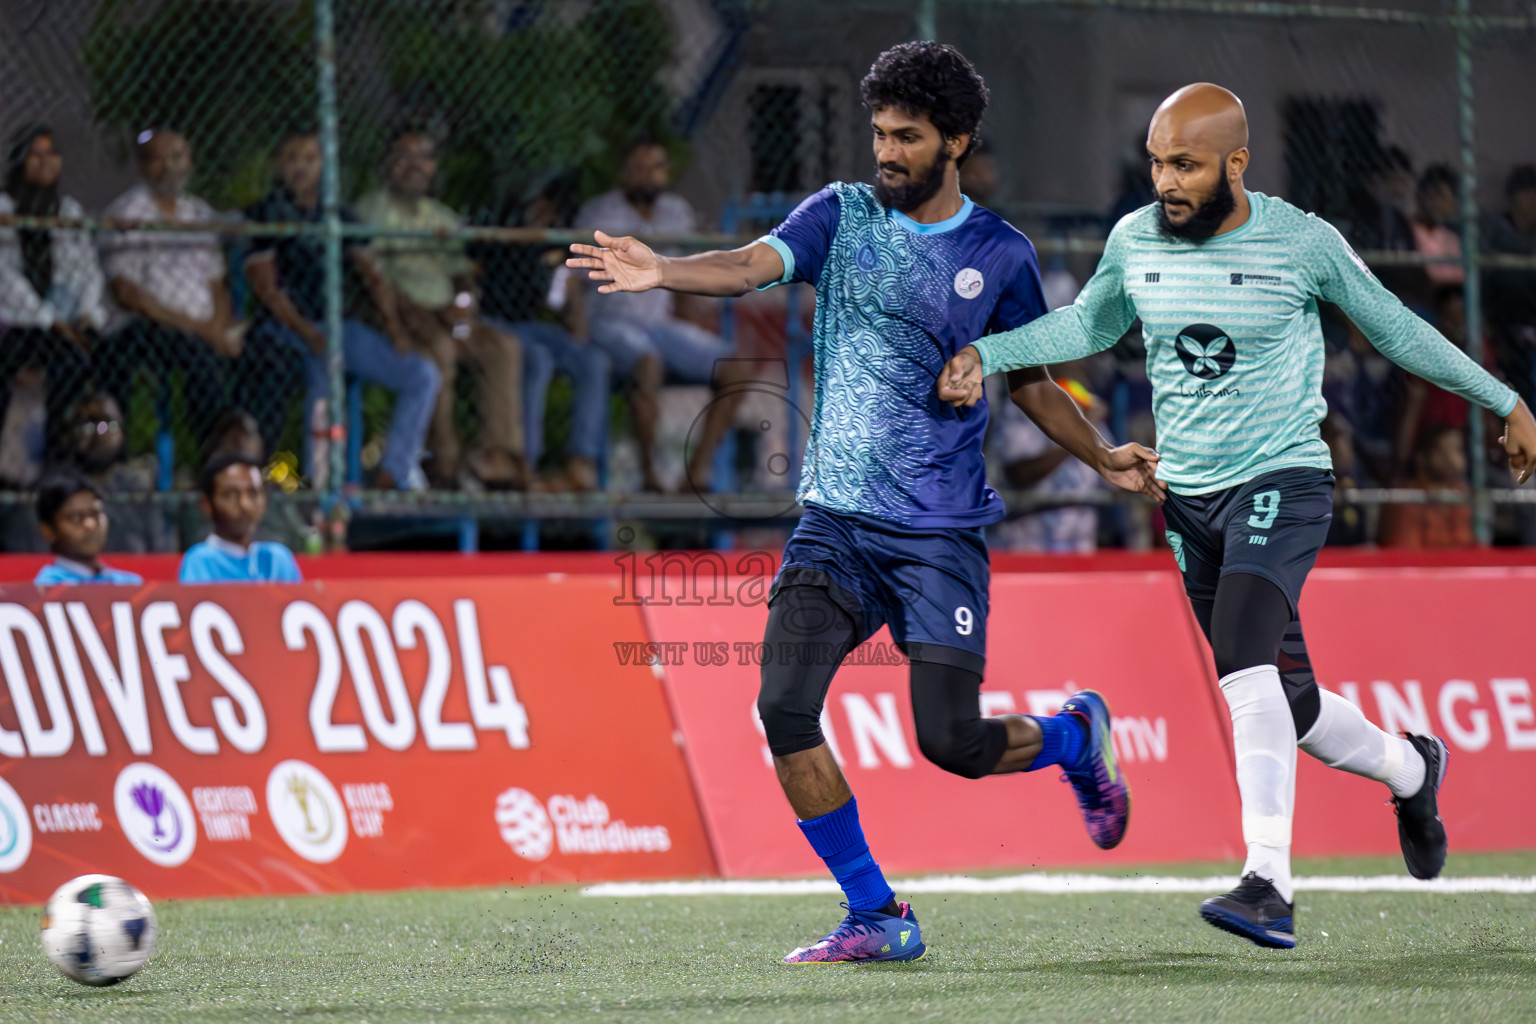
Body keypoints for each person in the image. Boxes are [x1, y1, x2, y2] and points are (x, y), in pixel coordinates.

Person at [570, 42, 1161, 964]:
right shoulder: (838, 216)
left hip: (938, 536)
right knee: (783, 709)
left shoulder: (1000, 254)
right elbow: (747, 264)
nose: (885, 151)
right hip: (835, 527)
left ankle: (1073, 736)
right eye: (879, 132)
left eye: (907, 137)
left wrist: (1102, 456)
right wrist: (665, 271)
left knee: (952, 743)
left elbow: (1036, 382)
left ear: (956, 140)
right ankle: (878, 914)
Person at [940, 82, 1536, 949]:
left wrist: (1506, 400)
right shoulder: (1135, 238)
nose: (1166, 180)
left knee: (1242, 660)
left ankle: (1267, 881)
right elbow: (1087, 323)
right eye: (1156, 162)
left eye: (1184, 164)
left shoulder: (1303, 242)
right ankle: (1413, 767)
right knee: (1286, 702)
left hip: (1284, 481)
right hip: (1188, 497)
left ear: (1236, 163)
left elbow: (1399, 331)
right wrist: (986, 352)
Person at [243, 128, 440, 490]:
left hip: (338, 327)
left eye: (310, 159)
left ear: (324, 166)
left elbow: (374, 274)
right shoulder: (266, 214)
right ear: (279, 166)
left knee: (422, 374)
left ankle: (394, 471)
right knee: (324, 377)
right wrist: (307, 332)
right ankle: (324, 485)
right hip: (287, 329)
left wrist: (393, 328)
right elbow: (267, 289)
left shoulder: (339, 213)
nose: (301, 167)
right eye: (292, 159)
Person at [575, 139, 750, 492]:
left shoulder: (676, 212)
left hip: (660, 324)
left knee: (736, 368)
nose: (648, 176)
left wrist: (691, 320)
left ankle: (696, 474)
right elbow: (577, 283)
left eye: (656, 167)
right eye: (638, 167)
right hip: (612, 322)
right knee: (648, 363)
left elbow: (683, 275)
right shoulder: (600, 214)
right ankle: (649, 475)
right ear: (624, 173)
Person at [357, 129, 526, 489]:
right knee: (442, 350)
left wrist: (462, 306)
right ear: (388, 164)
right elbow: (374, 280)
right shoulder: (373, 209)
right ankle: (444, 462)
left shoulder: (442, 216)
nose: (415, 165)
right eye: (405, 156)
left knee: (503, 346)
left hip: (446, 314)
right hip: (404, 313)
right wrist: (423, 314)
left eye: (424, 157)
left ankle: (500, 460)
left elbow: (463, 275)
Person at [96, 128, 242, 445]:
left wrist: (216, 329)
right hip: (147, 325)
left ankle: (245, 454)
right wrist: (201, 330)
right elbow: (126, 293)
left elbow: (216, 282)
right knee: (198, 357)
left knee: (259, 357)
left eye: (177, 157)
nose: (170, 167)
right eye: (158, 160)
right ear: (142, 165)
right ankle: (210, 453)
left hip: (202, 328)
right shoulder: (127, 212)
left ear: (190, 162)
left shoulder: (198, 212)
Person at [477, 178, 610, 492]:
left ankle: (580, 462)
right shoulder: (497, 233)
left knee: (593, 360)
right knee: (537, 359)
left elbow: (563, 303)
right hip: (495, 322)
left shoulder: (554, 243)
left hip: (535, 325)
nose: (543, 213)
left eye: (551, 209)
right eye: (538, 205)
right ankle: (527, 462)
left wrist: (573, 301)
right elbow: (469, 280)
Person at [0, 124, 100, 460]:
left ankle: (59, 455)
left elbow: (87, 268)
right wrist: (51, 321)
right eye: (35, 154)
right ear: (19, 162)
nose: (45, 161)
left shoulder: (68, 210)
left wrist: (88, 313)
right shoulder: (5, 206)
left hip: (62, 320)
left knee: (76, 364)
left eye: (51, 153)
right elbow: (6, 277)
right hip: (16, 320)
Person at [61, 390, 169, 553]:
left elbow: (159, 544)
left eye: (108, 425)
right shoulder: (60, 485)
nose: (99, 433)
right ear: (70, 434)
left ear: (122, 433)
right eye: (88, 425)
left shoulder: (137, 483)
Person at [179, 450, 302, 583]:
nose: (245, 505)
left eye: (253, 494)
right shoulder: (199, 561)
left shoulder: (278, 559)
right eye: (230, 495)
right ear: (207, 505)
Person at [33, 466, 143, 586]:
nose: (90, 524)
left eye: (95, 514)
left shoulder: (131, 586)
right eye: (75, 518)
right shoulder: (45, 590)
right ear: (48, 530)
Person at [1379, 425, 1474, 549]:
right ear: (1421, 458)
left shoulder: (1461, 494)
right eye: (1442, 451)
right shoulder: (1405, 499)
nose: (1451, 459)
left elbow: (1466, 546)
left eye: (1457, 450)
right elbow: (1405, 552)